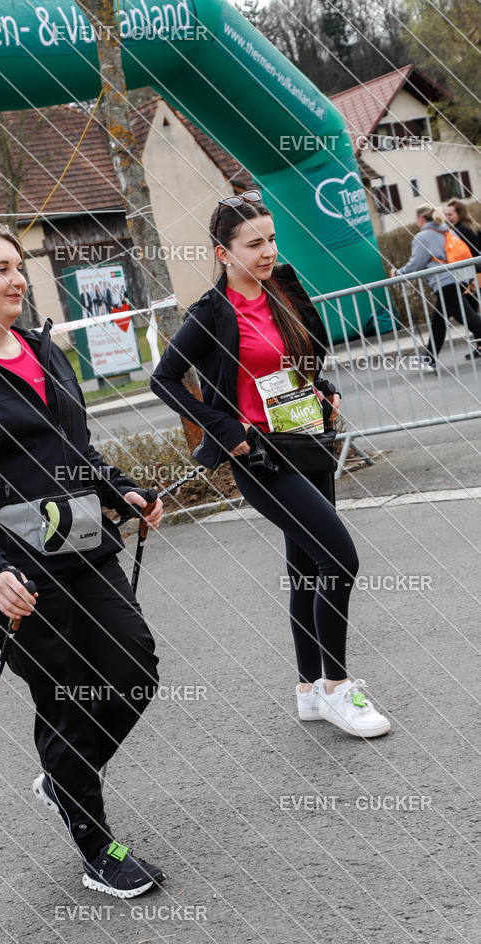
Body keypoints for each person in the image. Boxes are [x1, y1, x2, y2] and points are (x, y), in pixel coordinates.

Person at [0, 224, 166, 898]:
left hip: (83, 544)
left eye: (19, 267)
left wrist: (121, 489)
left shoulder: (46, 351)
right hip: (14, 573)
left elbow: (73, 450)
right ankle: (96, 846)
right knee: (67, 696)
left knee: (134, 666)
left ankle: (63, 780)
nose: (16, 279)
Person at [150, 191, 390, 738]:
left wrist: (321, 389)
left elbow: (303, 359)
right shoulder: (209, 314)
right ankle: (336, 689)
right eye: (253, 243)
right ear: (223, 253)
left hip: (309, 441)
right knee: (340, 559)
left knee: (306, 569)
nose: (266, 251)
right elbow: (163, 379)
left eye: (271, 239)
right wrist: (225, 429)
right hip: (262, 457)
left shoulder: (283, 290)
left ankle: (308, 689)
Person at [391, 203, 481, 369]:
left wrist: (397, 273)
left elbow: (415, 265)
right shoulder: (447, 230)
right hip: (457, 278)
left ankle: (429, 357)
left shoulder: (423, 236)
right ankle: (429, 357)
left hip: (444, 281)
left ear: (421, 218)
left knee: (465, 316)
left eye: (417, 219)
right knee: (438, 319)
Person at [445, 198, 481, 319]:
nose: (447, 218)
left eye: (450, 214)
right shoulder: (476, 227)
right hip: (477, 272)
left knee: (470, 315)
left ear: (459, 214)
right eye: (446, 214)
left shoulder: (456, 233)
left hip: (469, 275)